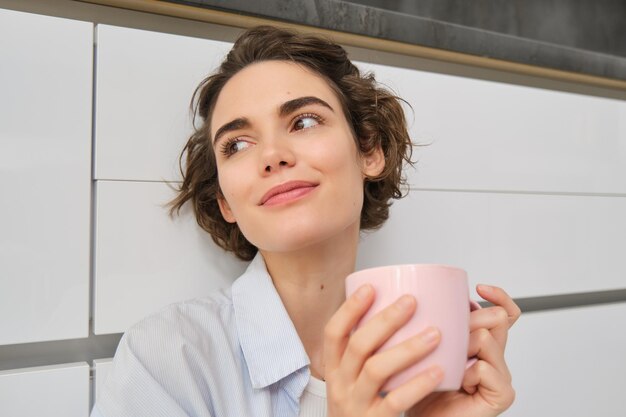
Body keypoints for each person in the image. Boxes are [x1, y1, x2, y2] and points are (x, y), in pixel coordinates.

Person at [91, 25, 520, 417]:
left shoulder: (421, 364)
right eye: (236, 145)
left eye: (305, 121)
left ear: (369, 150)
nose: (272, 155)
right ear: (225, 201)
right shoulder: (165, 360)